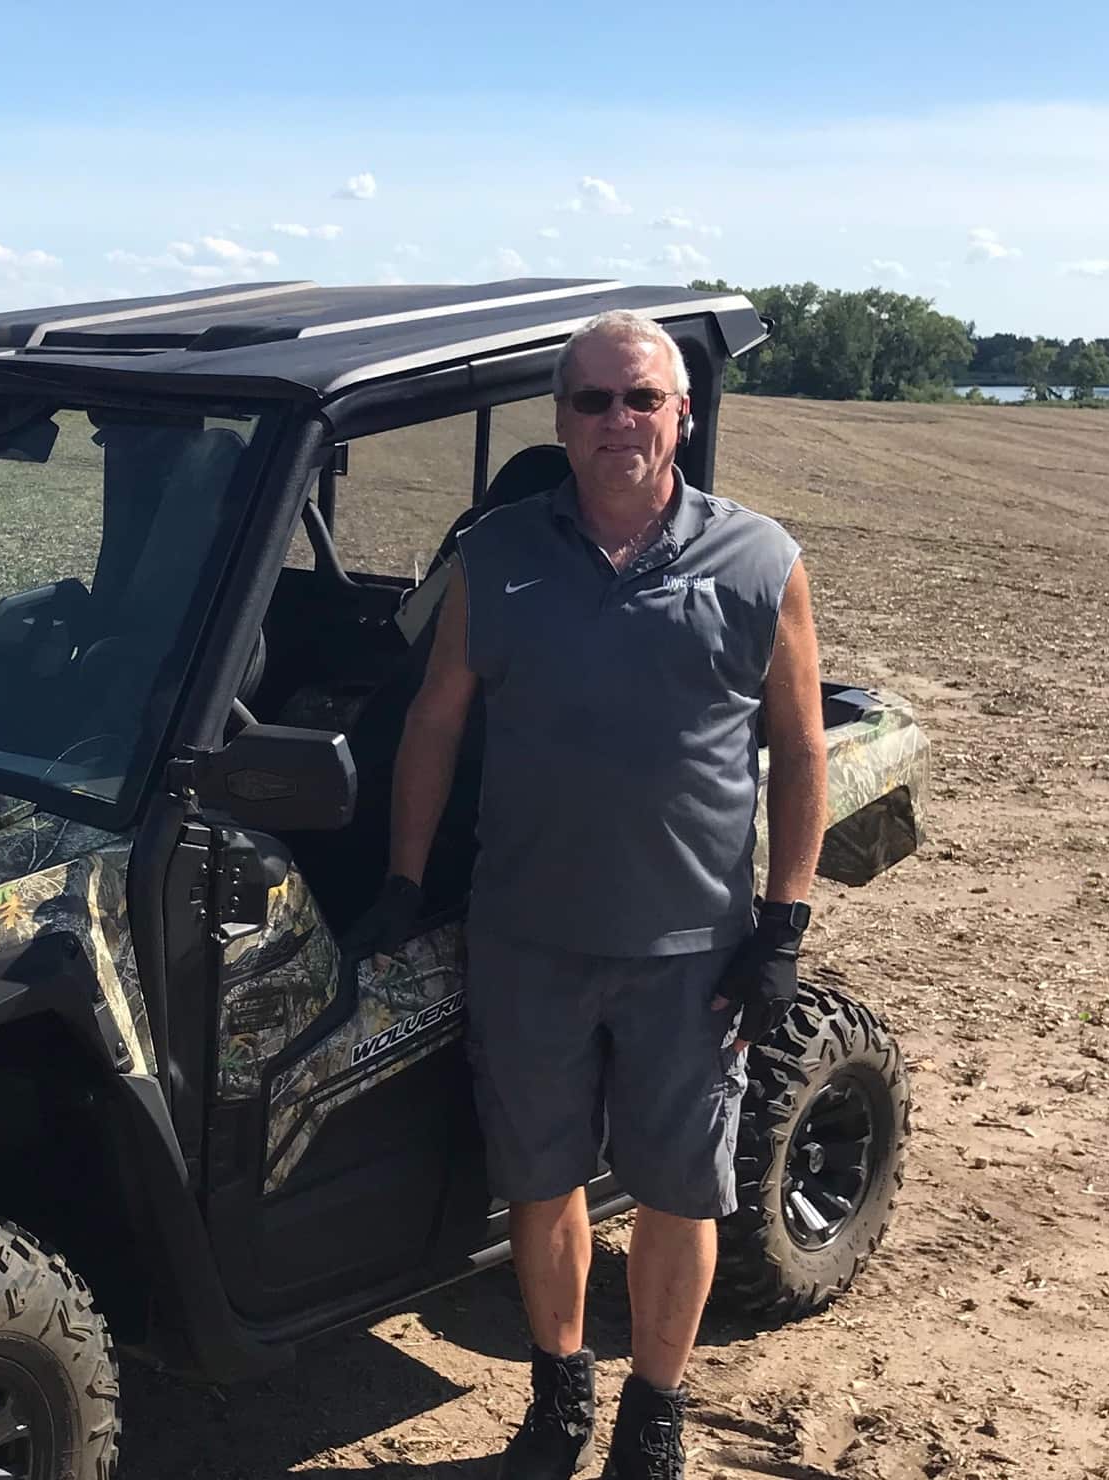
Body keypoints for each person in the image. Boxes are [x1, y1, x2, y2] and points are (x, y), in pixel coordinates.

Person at [344, 310, 827, 1479]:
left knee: (677, 1191)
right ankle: (559, 1394)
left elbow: (802, 750)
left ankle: (652, 1414)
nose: (618, 420)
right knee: (542, 1181)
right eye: (592, 401)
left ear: (683, 413)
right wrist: (407, 881)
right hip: (527, 941)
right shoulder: (497, 556)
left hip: (692, 956)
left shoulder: (762, 561)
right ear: (560, 420)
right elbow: (434, 724)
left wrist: (783, 927)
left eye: (641, 399)